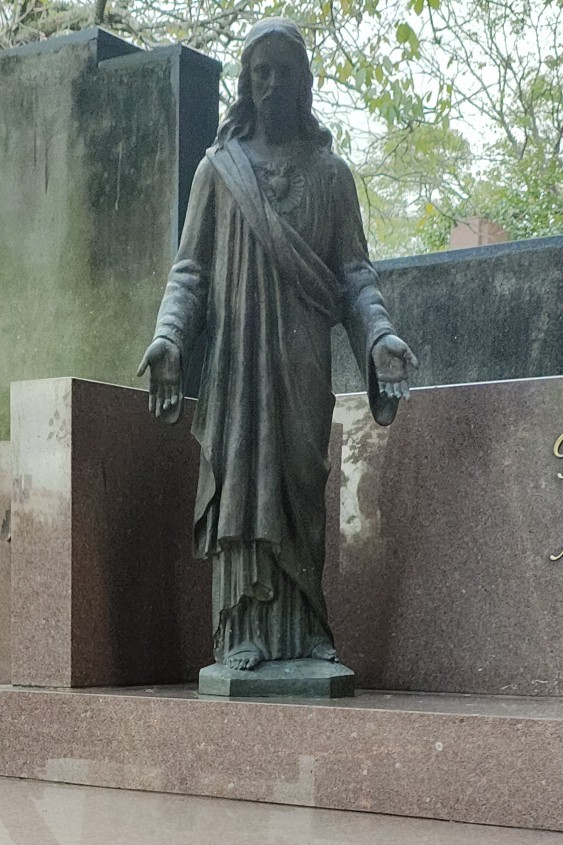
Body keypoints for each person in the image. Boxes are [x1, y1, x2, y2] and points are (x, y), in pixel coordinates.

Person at [141, 18, 415, 688]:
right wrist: (169, 337)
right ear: (246, 82)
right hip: (237, 365)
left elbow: (355, 275)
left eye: (283, 71)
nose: (271, 83)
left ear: (304, 82)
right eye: (259, 72)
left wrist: (380, 335)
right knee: (242, 482)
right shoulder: (218, 171)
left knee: (299, 486)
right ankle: (239, 628)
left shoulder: (332, 176)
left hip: (301, 364)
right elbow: (190, 272)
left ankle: (308, 628)